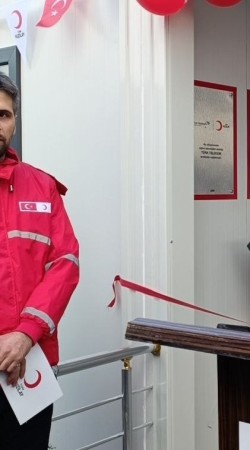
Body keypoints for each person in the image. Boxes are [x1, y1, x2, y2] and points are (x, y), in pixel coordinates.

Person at [0, 73, 80, 449]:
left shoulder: (42, 187)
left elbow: (65, 263)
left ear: (14, 122)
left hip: (31, 363)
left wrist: (25, 335)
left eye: (3, 115)